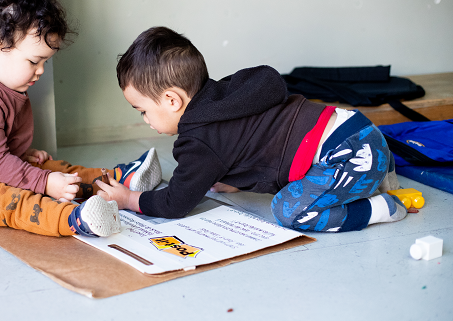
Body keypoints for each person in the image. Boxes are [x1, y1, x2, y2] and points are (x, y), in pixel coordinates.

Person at [96, 26, 406, 233]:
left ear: (171, 100)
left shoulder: (198, 140)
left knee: (288, 210)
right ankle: (384, 181)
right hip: (363, 131)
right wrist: (236, 180)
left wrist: (129, 199)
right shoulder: (227, 94)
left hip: (348, 157)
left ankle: (380, 207)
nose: (145, 120)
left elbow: (175, 204)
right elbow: (255, 140)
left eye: (143, 111)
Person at [0, 0, 161, 238]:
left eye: (45, 62)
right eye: (34, 61)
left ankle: (115, 180)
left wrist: (24, 156)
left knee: (53, 168)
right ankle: (73, 219)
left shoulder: (6, 81)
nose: (40, 71)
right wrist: (44, 183)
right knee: (14, 201)